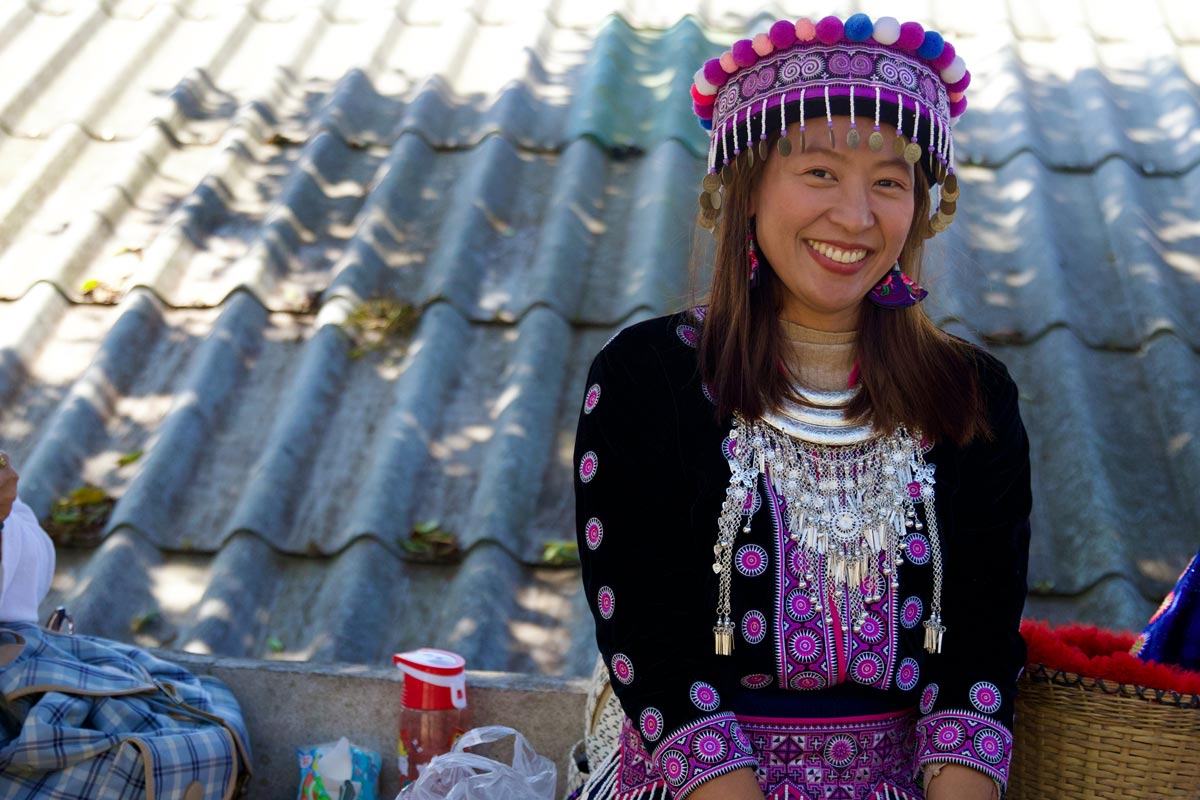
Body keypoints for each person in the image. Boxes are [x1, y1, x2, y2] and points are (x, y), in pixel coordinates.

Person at [573, 14, 1030, 800]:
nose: (856, 218)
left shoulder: (971, 397)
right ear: (745, 190)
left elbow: (979, 653)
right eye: (819, 172)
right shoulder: (647, 380)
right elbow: (649, 644)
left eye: (889, 182)